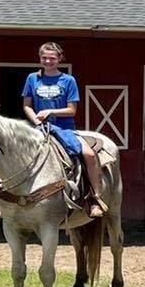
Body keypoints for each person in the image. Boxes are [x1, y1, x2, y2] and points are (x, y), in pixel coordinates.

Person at [20, 42, 107, 219]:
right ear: (40, 58)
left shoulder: (68, 80)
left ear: (60, 59)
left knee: (89, 155)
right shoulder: (32, 79)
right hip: (38, 127)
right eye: (44, 57)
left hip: (64, 128)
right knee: (11, 152)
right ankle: (3, 200)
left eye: (52, 58)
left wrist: (50, 111)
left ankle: (96, 198)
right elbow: (27, 106)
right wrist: (35, 119)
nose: (48, 61)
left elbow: (71, 110)